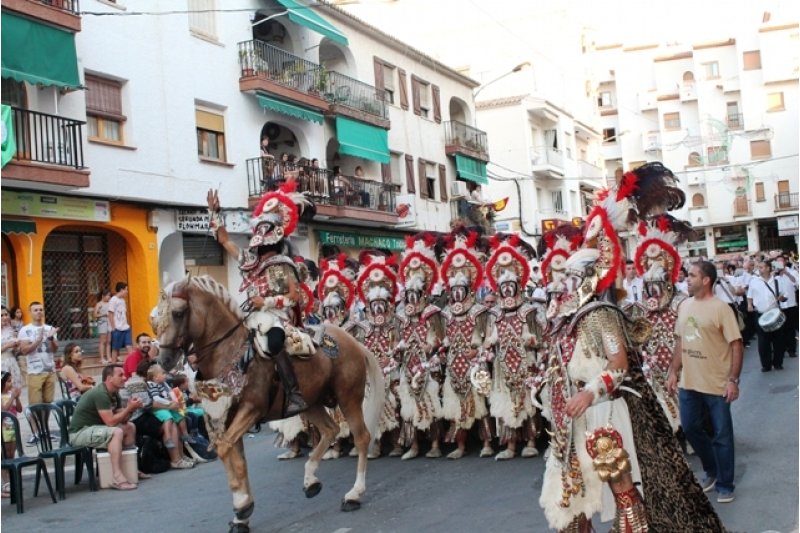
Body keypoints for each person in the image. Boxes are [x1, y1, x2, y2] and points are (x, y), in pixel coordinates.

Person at [207, 185, 308, 417]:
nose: (258, 240)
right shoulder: (249, 261)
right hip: (251, 315)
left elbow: (295, 297)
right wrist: (215, 212)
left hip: (277, 317)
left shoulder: (283, 263)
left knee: (273, 344)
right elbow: (224, 240)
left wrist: (268, 303)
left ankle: (295, 394)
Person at [667, 261, 743, 504]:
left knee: (722, 435)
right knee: (690, 428)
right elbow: (681, 342)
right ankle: (711, 470)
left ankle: (725, 484)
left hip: (717, 385)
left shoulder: (721, 309)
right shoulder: (685, 306)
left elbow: (736, 345)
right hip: (689, 383)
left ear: (706, 280)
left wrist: (733, 380)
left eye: (692, 276)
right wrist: (672, 372)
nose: (686, 279)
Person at [69, 364, 142, 490]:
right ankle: (116, 477)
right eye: (121, 375)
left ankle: (131, 469)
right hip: (80, 433)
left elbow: (123, 419)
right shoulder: (100, 394)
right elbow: (110, 423)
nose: (125, 378)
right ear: (109, 378)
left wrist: (131, 409)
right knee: (116, 432)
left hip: (97, 429)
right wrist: (128, 408)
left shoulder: (115, 393)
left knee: (129, 427)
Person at [124, 360, 191, 470]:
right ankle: (176, 460)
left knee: (176, 418)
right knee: (170, 423)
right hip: (136, 417)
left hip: (142, 414)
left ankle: (180, 456)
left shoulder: (145, 382)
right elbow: (148, 404)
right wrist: (170, 406)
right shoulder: (138, 383)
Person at [18, 302, 59, 445]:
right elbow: (24, 350)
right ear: (30, 312)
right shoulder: (25, 330)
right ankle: (36, 433)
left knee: (47, 404)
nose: (39, 312)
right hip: (34, 372)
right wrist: (38, 340)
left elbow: (54, 349)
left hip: (49, 370)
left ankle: (45, 431)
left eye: (41, 309)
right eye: (36, 310)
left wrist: (51, 338)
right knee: (35, 405)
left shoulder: (50, 328)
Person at [747, 259, 788, 371]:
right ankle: (766, 365)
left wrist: (782, 298)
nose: (759, 270)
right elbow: (749, 295)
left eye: (761, 267)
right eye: (758, 267)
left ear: (768, 268)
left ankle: (778, 363)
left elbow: (784, 296)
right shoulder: (754, 281)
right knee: (763, 342)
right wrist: (749, 305)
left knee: (778, 340)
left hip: (775, 313)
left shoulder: (777, 280)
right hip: (760, 314)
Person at [1, 370, 23, 498]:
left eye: (11, 381)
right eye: (8, 381)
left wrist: (17, 397)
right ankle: (6, 482)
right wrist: (13, 397)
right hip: (3, 430)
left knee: (11, 455)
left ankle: (12, 480)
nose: (11, 384)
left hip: (13, 429)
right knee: (4, 456)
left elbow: (19, 409)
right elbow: (4, 409)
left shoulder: (11, 394)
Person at [773, 257, 798, 358]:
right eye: (777, 262)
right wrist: (775, 274)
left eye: (781, 261)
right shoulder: (774, 275)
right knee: (780, 330)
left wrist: (787, 274)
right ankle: (781, 349)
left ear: (785, 262)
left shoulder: (792, 272)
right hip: (779, 306)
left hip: (791, 304)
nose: (779, 263)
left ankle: (792, 349)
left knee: (791, 329)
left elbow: (796, 283)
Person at [108, 282, 132, 364]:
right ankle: (113, 366)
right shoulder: (113, 300)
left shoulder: (123, 300)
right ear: (121, 290)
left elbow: (124, 313)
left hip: (125, 328)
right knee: (115, 349)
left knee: (129, 346)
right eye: (126, 289)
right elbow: (110, 314)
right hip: (117, 329)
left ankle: (133, 365)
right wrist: (113, 327)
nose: (127, 291)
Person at [0, 306, 23, 390]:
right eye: (1, 315)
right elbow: (7, 346)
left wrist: (16, 347)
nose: (5, 317)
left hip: (12, 362)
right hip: (1, 364)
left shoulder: (10, 331)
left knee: (15, 390)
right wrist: (7, 346)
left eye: (6, 314)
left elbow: (14, 351)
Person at [94, 290, 112, 364]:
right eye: (107, 295)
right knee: (103, 341)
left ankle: (109, 357)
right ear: (103, 296)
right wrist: (103, 314)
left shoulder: (110, 304)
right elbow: (95, 315)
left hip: (109, 323)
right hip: (102, 323)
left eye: (109, 296)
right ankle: (102, 358)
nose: (109, 297)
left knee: (108, 341)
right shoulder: (99, 304)